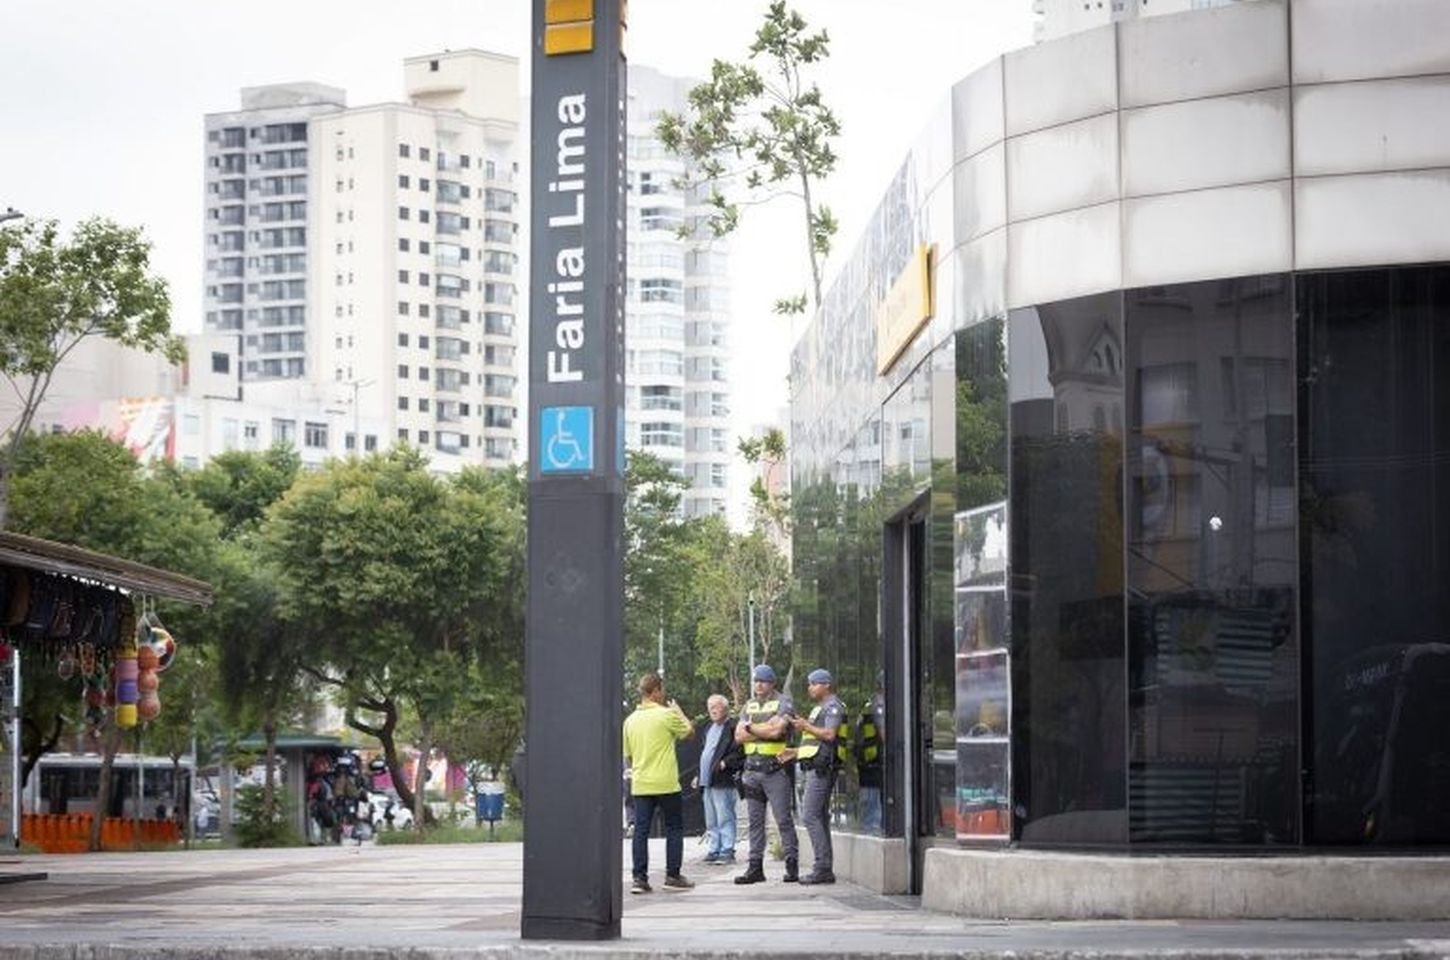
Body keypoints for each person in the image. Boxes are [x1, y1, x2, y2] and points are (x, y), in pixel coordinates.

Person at [622, 672, 695, 894]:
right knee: (674, 827)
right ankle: (672, 876)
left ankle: (639, 878)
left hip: (641, 784)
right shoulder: (666, 715)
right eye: (662, 689)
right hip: (666, 783)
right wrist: (679, 712)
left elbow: (629, 755)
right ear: (655, 691)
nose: (664, 694)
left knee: (641, 830)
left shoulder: (630, 721)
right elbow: (690, 733)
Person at [733, 663, 799, 884]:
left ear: (772, 683)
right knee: (755, 822)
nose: (758, 685)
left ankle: (792, 864)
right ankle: (755, 868)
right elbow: (738, 737)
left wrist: (751, 728)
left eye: (762, 681)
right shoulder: (749, 705)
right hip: (751, 770)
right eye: (755, 681)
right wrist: (762, 730)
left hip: (775, 770)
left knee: (783, 820)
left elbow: (777, 730)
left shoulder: (784, 702)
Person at [787, 668, 845, 884]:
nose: (810, 687)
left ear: (826, 685)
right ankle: (824, 868)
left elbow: (830, 735)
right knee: (818, 817)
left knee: (810, 815)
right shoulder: (819, 708)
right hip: (814, 766)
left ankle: (821, 867)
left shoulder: (832, 707)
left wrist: (805, 726)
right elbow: (814, 744)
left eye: (814, 683)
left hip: (823, 769)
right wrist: (794, 753)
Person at [696, 693, 743, 864]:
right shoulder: (708, 728)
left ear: (725, 708)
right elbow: (705, 753)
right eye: (710, 707)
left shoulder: (733, 726)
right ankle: (714, 849)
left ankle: (727, 850)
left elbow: (739, 751)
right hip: (707, 780)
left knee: (725, 815)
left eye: (716, 706)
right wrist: (698, 774)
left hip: (723, 779)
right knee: (711, 818)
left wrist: (725, 763)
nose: (712, 710)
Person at [858, 674, 885, 835]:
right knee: (873, 806)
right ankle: (872, 833)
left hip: (869, 759)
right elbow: (884, 734)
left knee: (871, 802)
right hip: (873, 760)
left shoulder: (871, 702)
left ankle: (871, 830)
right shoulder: (879, 704)